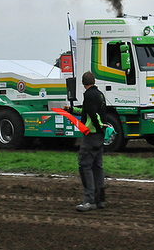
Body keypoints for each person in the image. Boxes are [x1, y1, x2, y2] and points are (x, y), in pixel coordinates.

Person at [68, 71, 107, 212]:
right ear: (94, 81)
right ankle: (100, 199)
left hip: (91, 135)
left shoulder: (88, 95)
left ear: (83, 83)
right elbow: (90, 111)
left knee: (84, 165)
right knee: (97, 167)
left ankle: (89, 200)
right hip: (99, 136)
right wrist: (72, 110)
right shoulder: (100, 94)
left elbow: (92, 114)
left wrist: (97, 127)